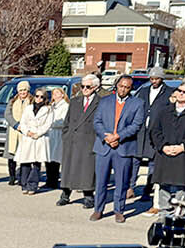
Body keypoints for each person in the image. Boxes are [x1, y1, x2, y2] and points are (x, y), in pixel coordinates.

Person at [91, 72, 145, 223]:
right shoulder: (105, 101)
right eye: (121, 86)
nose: (123, 89)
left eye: (126, 87)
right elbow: (97, 122)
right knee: (101, 181)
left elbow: (136, 125)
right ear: (116, 86)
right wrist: (106, 137)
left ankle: (119, 210)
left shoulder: (137, 103)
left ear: (131, 89)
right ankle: (98, 209)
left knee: (121, 182)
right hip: (104, 147)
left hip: (124, 148)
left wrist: (118, 136)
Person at [148, 79, 185, 213]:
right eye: (179, 91)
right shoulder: (164, 111)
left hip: (183, 155)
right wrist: (163, 146)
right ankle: (163, 213)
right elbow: (155, 131)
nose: (181, 94)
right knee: (163, 185)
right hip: (164, 153)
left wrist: (182, 147)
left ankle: (178, 215)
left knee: (182, 187)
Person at [58, 73, 103, 207]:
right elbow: (67, 122)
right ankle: (65, 194)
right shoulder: (74, 101)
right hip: (72, 141)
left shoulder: (100, 102)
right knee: (68, 169)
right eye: (82, 86)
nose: (84, 89)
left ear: (95, 87)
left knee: (87, 170)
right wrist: (66, 137)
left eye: (87, 87)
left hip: (89, 141)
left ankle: (88, 196)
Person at [136, 66, 172, 200]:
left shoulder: (168, 92)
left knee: (153, 163)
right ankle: (130, 187)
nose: (154, 81)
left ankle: (147, 190)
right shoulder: (144, 91)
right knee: (135, 160)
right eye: (151, 78)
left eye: (157, 78)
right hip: (141, 131)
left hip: (156, 132)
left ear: (161, 79)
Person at [14, 87, 55, 194]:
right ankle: (24, 184)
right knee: (25, 162)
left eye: (42, 97)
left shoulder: (49, 110)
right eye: (37, 96)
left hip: (40, 138)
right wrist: (27, 132)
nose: (39, 99)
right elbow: (23, 122)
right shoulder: (28, 108)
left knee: (36, 163)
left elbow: (48, 124)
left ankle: (32, 185)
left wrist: (38, 133)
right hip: (28, 137)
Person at [4, 80, 31, 184]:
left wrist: (25, 126)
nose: (23, 92)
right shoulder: (12, 101)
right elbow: (7, 114)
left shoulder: (32, 100)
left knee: (24, 156)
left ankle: (22, 177)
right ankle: (12, 176)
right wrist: (15, 124)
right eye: (20, 90)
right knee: (12, 156)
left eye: (24, 90)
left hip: (26, 131)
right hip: (13, 130)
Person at [46, 87, 67, 192]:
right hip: (49, 133)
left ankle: (54, 180)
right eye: (53, 93)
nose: (55, 95)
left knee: (56, 158)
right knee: (48, 157)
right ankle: (49, 180)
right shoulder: (51, 106)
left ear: (62, 95)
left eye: (57, 93)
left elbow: (63, 121)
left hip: (58, 133)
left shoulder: (65, 106)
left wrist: (51, 124)